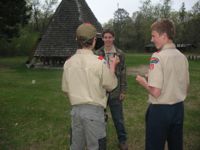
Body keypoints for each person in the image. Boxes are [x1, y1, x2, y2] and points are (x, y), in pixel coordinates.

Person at [62, 23, 119, 150]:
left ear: (77, 40)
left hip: (76, 111)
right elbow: (110, 85)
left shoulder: (68, 62)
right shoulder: (99, 62)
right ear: (94, 40)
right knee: (96, 146)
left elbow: (66, 90)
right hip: (94, 113)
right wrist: (113, 66)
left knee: (76, 146)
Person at [136, 19, 190, 150]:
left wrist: (143, 82)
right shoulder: (182, 57)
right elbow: (185, 86)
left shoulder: (157, 56)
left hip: (160, 111)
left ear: (164, 36)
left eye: (154, 35)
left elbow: (156, 92)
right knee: (176, 145)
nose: (152, 39)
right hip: (178, 109)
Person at [94, 28, 128, 150]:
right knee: (99, 119)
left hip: (115, 91)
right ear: (102, 39)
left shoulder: (120, 54)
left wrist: (123, 90)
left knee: (118, 118)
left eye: (110, 37)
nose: (108, 39)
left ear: (113, 38)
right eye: (105, 37)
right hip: (101, 91)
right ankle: (100, 141)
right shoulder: (97, 54)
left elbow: (123, 73)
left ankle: (123, 141)